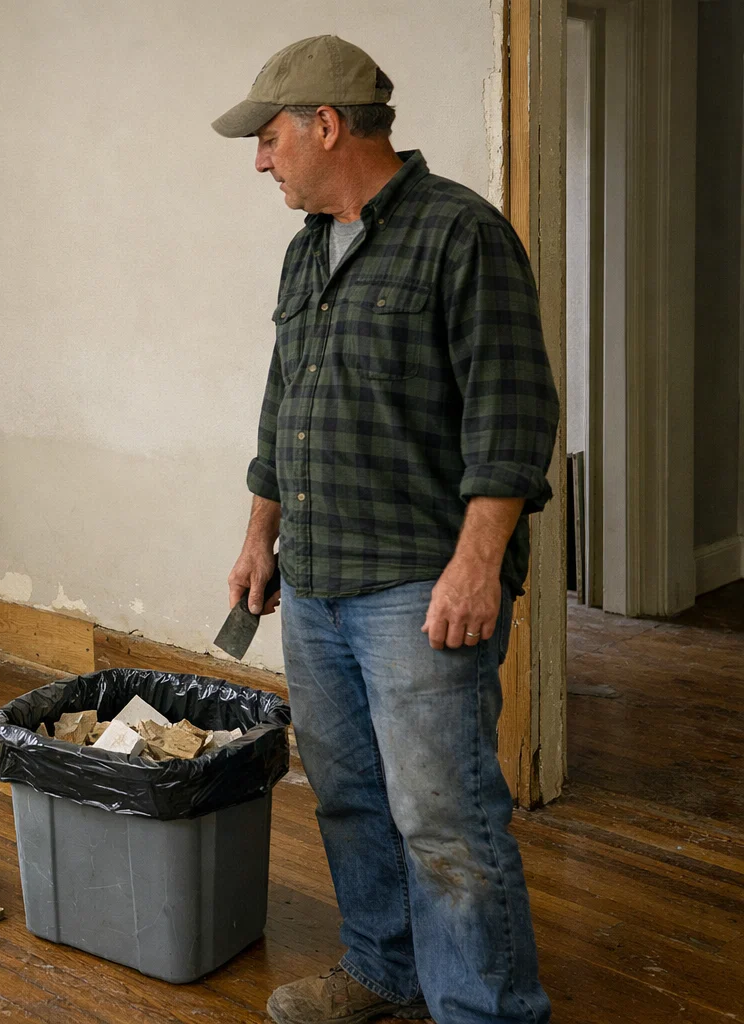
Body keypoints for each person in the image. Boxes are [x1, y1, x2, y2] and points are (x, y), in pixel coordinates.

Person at [213, 35, 559, 1024]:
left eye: (271, 136)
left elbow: (512, 418)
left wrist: (475, 569)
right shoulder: (304, 249)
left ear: (327, 125)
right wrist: (257, 537)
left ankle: (485, 1012)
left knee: (445, 819)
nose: (261, 159)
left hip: (419, 587)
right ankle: (382, 967)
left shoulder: (462, 236)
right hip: (316, 582)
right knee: (351, 796)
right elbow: (284, 409)